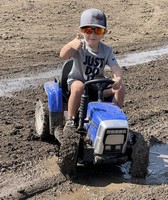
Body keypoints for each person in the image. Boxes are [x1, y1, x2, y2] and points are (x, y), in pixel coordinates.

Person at [60, 8, 125, 126]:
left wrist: (118, 78)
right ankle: (70, 120)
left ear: (105, 32)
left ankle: (112, 119)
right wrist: (71, 45)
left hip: (98, 88)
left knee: (120, 88)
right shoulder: (79, 46)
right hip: (77, 83)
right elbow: (63, 55)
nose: (93, 34)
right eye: (88, 30)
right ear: (81, 31)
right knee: (79, 86)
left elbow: (116, 68)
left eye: (98, 31)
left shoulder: (107, 50)